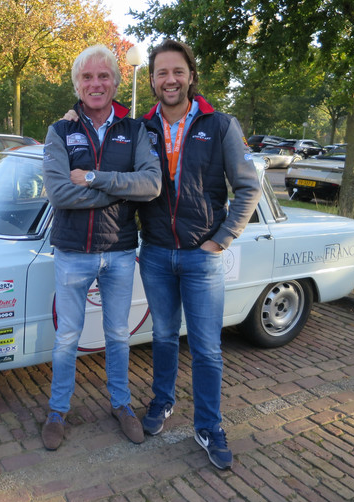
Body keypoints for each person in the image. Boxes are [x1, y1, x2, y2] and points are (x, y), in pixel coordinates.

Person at [137, 40, 261, 470]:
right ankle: (163, 401)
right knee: (164, 337)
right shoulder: (140, 127)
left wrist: (222, 239)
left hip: (201, 256)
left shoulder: (221, 125)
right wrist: (71, 116)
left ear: (191, 75)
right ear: (151, 80)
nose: (169, 80)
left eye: (177, 71)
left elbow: (249, 186)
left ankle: (209, 425)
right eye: (160, 73)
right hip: (154, 254)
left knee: (207, 348)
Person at [41, 44, 161, 451]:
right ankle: (58, 411)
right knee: (66, 338)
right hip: (73, 252)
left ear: (115, 82)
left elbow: (151, 184)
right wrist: (120, 190)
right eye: (87, 77)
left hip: (122, 251)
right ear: (77, 83)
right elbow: (58, 193)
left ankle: (121, 404)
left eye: (103, 76)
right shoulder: (61, 130)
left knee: (117, 334)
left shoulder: (134, 131)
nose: (96, 84)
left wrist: (93, 178)